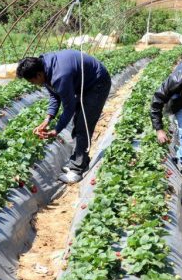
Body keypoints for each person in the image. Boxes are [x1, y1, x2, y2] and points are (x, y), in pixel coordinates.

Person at [16, 49, 111, 184]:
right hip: (83, 84)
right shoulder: (44, 66)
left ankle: (77, 170)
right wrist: (47, 119)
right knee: (78, 122)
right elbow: (55, 95)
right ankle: (79, 160)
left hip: (96, 84)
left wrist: (56, 130)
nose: (34, 84)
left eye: (32, 81)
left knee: (83, 125)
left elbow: (69, 107)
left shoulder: (60, 75)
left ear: (38, 74)